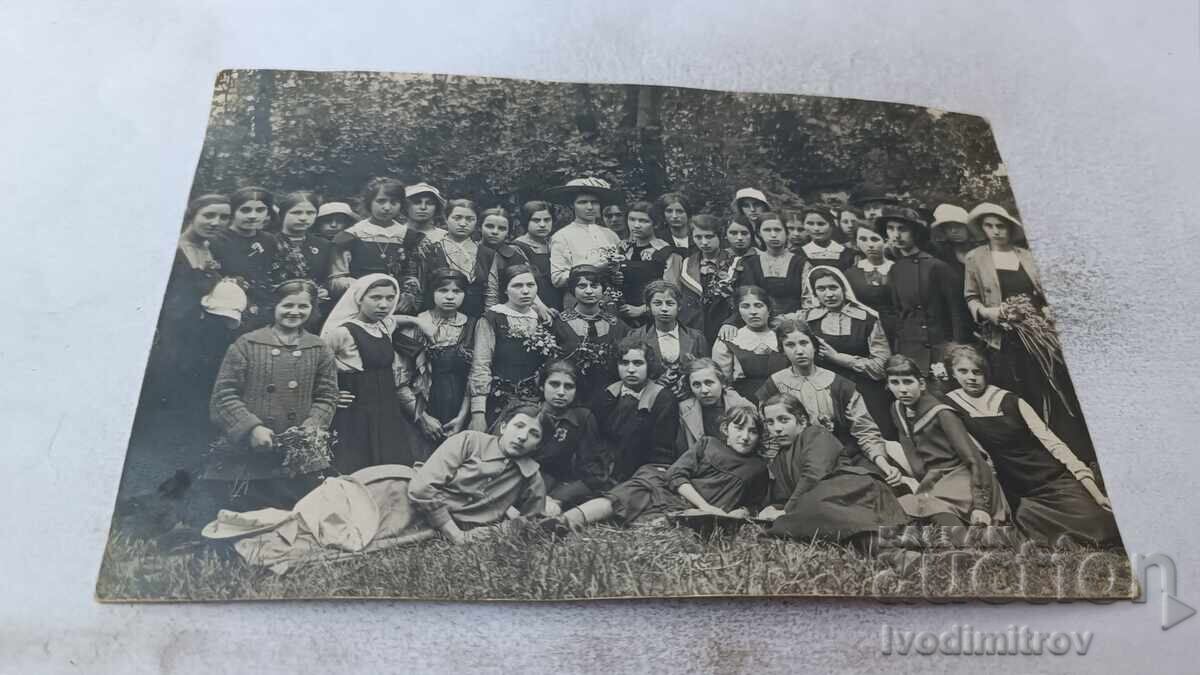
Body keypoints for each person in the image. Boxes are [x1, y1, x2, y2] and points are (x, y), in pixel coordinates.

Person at [942, 345, 1119, 546]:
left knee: (1102, 526)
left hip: (1048, 478)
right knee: (1029, 528)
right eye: (963, 371)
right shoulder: (951, 405)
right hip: (1015, 489)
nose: (971, 377)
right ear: (953, 373)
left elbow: (1054, 444)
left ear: (986, 373)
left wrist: (1095, 493)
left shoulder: (1011, 401)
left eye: (977, 371)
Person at [963, 202, 1094, 460]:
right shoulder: (976, 258)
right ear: (983, 229)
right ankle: (1040, 454)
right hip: (1004, 340)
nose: (996, 231)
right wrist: (990, 313)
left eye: (1001, 226)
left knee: (1054, 388)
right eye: (989, 226)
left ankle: (1075, 450)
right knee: (1021, 394)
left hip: (1039, 337)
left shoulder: (1027, 255)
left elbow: (1046, 294)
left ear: (1010, 229)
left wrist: (1046, 312)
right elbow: (970, 297)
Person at [205, 280, 338, 515]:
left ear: (312, 309)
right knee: (248, 516)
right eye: (287, 305)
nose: (295, 312)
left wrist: (312, 426)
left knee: (300, 514)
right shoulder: (247, 344)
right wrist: (251, 428)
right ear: (273, 306)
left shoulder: (319, 348)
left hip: (299, 453)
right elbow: (224, 395)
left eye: (303, 306)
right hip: (250, 453)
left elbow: (327, 395)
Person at [543, 404, 768, 532]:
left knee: (659, 525)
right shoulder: (708, 444)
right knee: (627, 494)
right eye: (739, 428)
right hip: (672, 488)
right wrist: (705, 505)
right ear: (726, 429)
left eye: (753, 431)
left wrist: (738, 512)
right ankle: (567, 521)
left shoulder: (757, 467)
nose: (745, 436)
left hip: (696, 512)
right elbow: (677, 475)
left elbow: (754, 503)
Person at [755, 393, 908, 545]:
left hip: (854, 491)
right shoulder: (779, 459)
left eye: (783, 420)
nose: (777, 428)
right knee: (811, 513)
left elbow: (813, 475)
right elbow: (785, 495)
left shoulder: (815, 434)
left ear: (801, 420)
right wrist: (773, 508)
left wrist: (787, 511)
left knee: (813, 507)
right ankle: (891, 544)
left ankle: (895, 542)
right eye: (770, 422)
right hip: (824, 501)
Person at [885, 354, 1009, 536]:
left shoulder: (942, 413)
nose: (902, 389)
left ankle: (968, 545)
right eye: (895, 383)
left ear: (921, 384)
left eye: (908, 382)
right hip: (934, 479)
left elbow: (974, 459)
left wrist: (981, 505)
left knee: (940, 516)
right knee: (900, 516)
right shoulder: (897, 409)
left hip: (963, 475)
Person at [322, 274, 432, 472]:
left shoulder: (384, 325)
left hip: (386, 409)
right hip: (356, 412)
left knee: (391, 468)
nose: (384, 305)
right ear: (359, 298)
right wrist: (330, 395)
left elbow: (394, 319)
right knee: (358, 468)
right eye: (376, 298)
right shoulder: (342, 332)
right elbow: (319, 367)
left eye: (390, 298)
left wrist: (417, 321)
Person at [145, 194, 240, 421]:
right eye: (208, 215)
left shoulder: (212, 248)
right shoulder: (171, 248)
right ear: (191, 215)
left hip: (201, 334)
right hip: (171, 333)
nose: (216, 222)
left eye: (224, 217)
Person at [756, 318, 890, 470]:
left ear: (814, 346)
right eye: (790, 345)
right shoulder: (774, 385)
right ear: (782, 350)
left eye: (804, 343)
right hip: (794, 461)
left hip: (842, 457)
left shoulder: (840, 385)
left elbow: (864, 430)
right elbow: (768, 433)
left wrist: (882, 463)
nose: (799, 351)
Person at [408, 405, 552, 545]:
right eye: (519, 426)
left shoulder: (531, 476)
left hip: (437, 531)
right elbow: (422, 488)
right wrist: (456, 535)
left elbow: (533, 524)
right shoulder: (470, 441)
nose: (522, 436)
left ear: (538, 445)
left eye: (534, 434)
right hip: (409, 504)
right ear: (503, 427)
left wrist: (493, 531)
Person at [469, 264, 580, 429]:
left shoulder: (544, 319)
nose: (526, 291)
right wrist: (478, 413)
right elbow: (480, 365)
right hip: (499, 401)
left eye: (530, 285)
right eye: (517, 286)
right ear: (505, 290)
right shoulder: (492, 319)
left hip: (538, 404)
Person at [802, 266, 896, 439]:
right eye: (821, 289)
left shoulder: (868, 319)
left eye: (833, 287)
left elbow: (881, 367)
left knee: (879, 438)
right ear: (814, 293)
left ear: (844, 288)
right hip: (825, 393)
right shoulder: (807, 321)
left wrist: (839, 359)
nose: (829, 294)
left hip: (865, 390)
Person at [877, 204, 969, 379]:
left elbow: (957, 311)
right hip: (909, 349)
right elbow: (898, 314)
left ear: (916, 232)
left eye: (902, 229)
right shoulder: (895, 269)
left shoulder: (937, 267)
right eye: (891, 229)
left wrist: (956, 347)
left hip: (939, 349)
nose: (896, 235)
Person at [329, 177, 434, 313]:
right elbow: (336, 279)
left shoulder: (410, 237)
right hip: (357, 303)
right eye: (381, 201)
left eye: (394, 202)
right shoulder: (350, 236)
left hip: (395, 305)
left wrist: (408, 294)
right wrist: (366, 289)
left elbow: (412, 273)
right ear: (369, 203)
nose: (387, 207)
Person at [398, 269, 476, 448]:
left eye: (457, 291)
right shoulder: (416, 324)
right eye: (442, 290)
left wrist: (462, 417)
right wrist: (422, 418)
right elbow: (400, 380)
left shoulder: (473, 325)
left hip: (460, 407)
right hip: (421, 407)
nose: (450, 297)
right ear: (432, 292)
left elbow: (475, 375)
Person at [592, 336, 681, 481]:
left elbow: (662, 451)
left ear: (649, 365)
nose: (631, 370)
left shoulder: (662, 398)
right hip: (603, 470)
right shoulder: (607, 394)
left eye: (638, 363)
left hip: (643, 473)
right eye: (624, 363)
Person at [536, 361, 608, 513]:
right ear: (542, 386)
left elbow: (593, 473)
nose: (561, 392)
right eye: (554, 384)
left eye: (568, 386)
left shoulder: (582, 418)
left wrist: (559, 498)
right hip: (525, 484)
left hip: (560, 486)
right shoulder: (527, 414)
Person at [625, 280, 710, 399]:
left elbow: (706, 372)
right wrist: (653, 384)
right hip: (649, 400)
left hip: (689, 400)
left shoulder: (696, 337)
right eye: (657, 303)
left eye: (670, 303)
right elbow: (628, 374)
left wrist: (688, 387)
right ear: (648, 307)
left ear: (679, 306)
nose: (664, 309)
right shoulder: (636, 337)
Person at [210, 186, 280, 330]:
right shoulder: (216, 240)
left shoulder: (269, 240)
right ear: (232, 212)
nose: (253, 216)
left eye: (260, 210)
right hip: (226, 309)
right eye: (245, 210)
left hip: (262, 307)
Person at [559, 265, 629, 406]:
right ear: (573, 290)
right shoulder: (560, 324)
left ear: (603, 289)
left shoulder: (617, 325)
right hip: (570, 396)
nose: (589, 291)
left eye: (595, 285)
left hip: (609, 397)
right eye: (582, 286)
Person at [547, 177, 622, 298]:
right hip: (577, 300)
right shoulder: (562, 236)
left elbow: (618, 266)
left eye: (594, 202)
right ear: (572, 206)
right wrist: (595, 269)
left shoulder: (610, 235)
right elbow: (557, 279)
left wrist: (616, 276)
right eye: (582, 202)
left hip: (610, 298)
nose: (590, 207)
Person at [712, 285, 790, 400]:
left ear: (768, 309)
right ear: (738, 311)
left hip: (783, 401)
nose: (753, 312)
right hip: (743, 403)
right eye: (745, 306)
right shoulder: (729, 340)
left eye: (758, 306)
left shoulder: (784, 337)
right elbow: (723, 383)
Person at [426, 198, 495, 318]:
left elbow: (491, 291)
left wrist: (487, 319)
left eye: (470, 219)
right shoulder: (433, 249)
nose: (463, 223)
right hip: (436, 316)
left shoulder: (486, 253)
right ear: (446, 219)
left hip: (476, 317)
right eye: (457, 218)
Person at [618, 200, 682, 327]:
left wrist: (641, 309)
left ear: (656, 224)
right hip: (621, 317)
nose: (636, 225)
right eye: (632, 219)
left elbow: (673, 292)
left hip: (654, 319)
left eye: (644, 221)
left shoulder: (667, 253)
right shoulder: (623, 249)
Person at [677, 214, 737, 344]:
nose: (704, 242)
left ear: (719, 236)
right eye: (698, 237)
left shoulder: (733, 262)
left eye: (709, 236)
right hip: (694, 327)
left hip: (724, 326)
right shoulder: (688, 263)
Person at [736, 212, 809, 314]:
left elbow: (808, 299)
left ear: (786, 232)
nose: (773, 235)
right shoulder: (750, 264)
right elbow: (746, 299)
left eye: (777, 230)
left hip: (795, 321)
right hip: (759, 320)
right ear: (759, 233)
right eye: (767, 230)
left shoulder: (801, 263)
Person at [677, 358, 752, 453]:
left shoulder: (742, 405)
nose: (704, 390)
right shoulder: (684, 410)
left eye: (709, 383)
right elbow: (682, 452)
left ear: (722, 383)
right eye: (696, 385)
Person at [843, 222, 898, 341]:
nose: (870, 245)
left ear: (887, 241)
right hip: (863, 330)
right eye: (863, 239)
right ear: (857, 242)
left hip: (895, 330)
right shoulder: (850, 273)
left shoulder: (899, 270)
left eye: (875, 239)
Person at [270, 191, 333, 291]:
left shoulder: (324, 245)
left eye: (310, 213)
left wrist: (325, 290)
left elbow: (328, 278)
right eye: (296, 212)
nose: (303, 218)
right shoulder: (268, 242)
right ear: (282, 213)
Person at [508, 200, 563, 311]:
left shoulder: (555, 244)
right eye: (536, 220)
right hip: (532, 306)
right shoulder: (517, 247)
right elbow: (522, 283)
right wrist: (540, 307)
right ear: (526, 221)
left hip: (559, 303)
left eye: (547, 220)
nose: (542, 225)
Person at [655, 192, 693, 257]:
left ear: (688, 213)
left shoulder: (699, 237)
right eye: (669, 211)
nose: (674, 216)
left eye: (680, 211)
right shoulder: (658, 239)